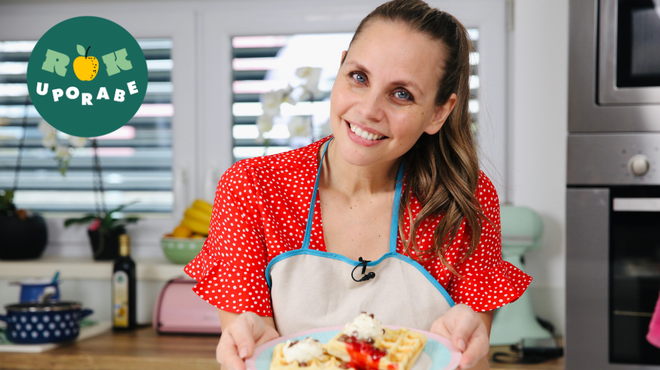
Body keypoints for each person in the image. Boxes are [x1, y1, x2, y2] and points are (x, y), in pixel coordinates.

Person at [184, 0, 532, 369]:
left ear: (438, 113)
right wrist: (244, 342)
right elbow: (250, 352)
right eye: (359, 77)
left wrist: (469, 345)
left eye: (402, 94)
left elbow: (469, 358)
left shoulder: (463, 201)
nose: (368, 110)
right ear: (340, 68)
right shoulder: (253, 188)